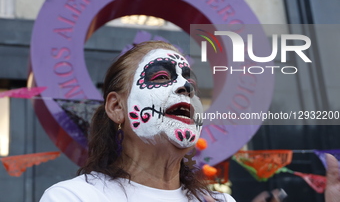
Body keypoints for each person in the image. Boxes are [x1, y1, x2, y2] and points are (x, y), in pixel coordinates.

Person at [40, 41, 235, 202]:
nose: (185, 87)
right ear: (116, 107)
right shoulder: (72, 197)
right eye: (161, 77)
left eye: (191, 83)